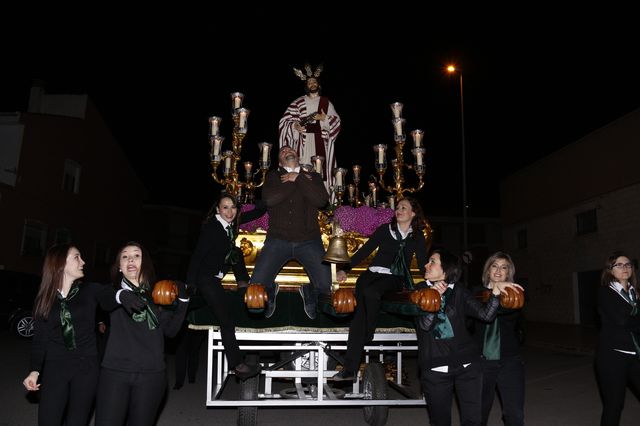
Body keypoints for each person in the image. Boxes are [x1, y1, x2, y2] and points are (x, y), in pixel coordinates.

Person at [415, 248, 523, 426]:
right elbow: (425, 325)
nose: (426, 265)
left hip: (469, 365)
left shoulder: (460, 291)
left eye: (432, 261)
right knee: (440, 420)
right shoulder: (419, 291)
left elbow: (486, 315)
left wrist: (495, 294)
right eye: (494, 266)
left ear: (446, 268)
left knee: (475, 420)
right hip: (437, 367)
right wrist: (434, 297)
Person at [332, 196, 428, 381]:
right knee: (357, 320)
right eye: (398, 208)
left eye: (403, 208)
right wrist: (345, 269)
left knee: (371, 293)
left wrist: (433, 280)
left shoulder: (417, 236)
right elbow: (365, 250)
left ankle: (369, 331)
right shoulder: (385, 230)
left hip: (394, 278)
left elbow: (423, 262)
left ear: (413, 214)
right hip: (370, 276)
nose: (398, 211)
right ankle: (349, 370)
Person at [22, 243, 118, 426]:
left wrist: (122, 295)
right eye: (77, 257)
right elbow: (40, 339)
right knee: (48, 420)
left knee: (77, 421)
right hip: (55, 366)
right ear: (60, 264)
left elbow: (109, 298)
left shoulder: (91, 290)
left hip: (86, 367)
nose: (83, 262)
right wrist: (34, 372)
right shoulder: (45, 299)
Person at [95, 242, 189, 426]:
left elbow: (170, 332)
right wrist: (121, 296)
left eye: (136, 255)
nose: (130, 259)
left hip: (151, 375)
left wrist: (183, 302)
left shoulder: (159, 294)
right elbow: (104, 300)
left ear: (144, 262)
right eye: (124, 256)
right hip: (115, 373)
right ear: (120, 267)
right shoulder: (112, 291)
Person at [183, 194, 263, 384]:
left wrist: (263, 197)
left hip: (215, 278)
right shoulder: (212, 228)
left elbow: (259, 212)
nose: (229, 212)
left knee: (235, 251)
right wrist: (191, 283)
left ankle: (243, 284)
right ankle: (237, 365)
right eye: (225, 208)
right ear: (218, 210)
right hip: (206, 279)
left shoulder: (229, 226)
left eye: (233, 207)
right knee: (226, 319)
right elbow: (197, 256)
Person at [251, 145, 331, 319]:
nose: (287, 151)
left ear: (298, 155)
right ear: (279, 161)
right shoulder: (273, 176)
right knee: (256, 286)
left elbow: (321, 201)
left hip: (309, 240)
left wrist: (298, 178)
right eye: (282, 151)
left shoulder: (312, 176)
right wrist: (295, 181)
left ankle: (309, 291)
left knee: (325, 286)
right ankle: (271, 290)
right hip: (277, 239)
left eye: (290, 150)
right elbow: (270, 200)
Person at [471, 252, 525, 426]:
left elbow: (504, 311)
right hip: (481, 361)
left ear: (509, 272)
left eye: (504, 267)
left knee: (514, 414)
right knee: (478, 413)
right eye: (494, 265)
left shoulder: (515, 293)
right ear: (488, 270)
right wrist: (494, 292)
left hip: (509, 360)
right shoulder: (475, 293)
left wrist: (502, 290)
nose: (499, 270)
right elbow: (482, 314)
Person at [279, 63, 341, 191]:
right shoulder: (298, 102)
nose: (312, 84)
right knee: (303, 169)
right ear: (306, 86)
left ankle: (322, 198)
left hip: (321, 142)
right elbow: (285, 121)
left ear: (318, 84)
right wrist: (294, 126)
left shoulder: (326, 102)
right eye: (309, 83)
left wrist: (324, 118)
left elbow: (337, 121)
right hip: (303, 143)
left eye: (314, 82)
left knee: (321, 173)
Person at [595, 251, 640, 426]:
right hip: (613, 357)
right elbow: (622, 321)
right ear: (610, 270)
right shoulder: (605, 293)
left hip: (635, 354)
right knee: (614, 405)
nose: (625, 268)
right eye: (619, 265)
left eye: (628, 264)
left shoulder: (635, 293)